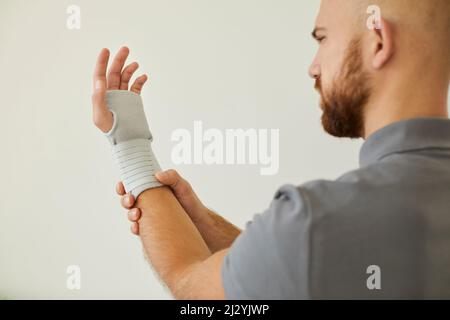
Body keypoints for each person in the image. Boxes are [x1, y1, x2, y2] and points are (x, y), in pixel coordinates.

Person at [92, 0, 450, 299]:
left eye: (322, 39)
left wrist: (128, 140)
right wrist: (199, 220)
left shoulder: (317, 221)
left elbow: (191, 284)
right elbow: (301, 270)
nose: (313, 67)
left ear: (378, 42)